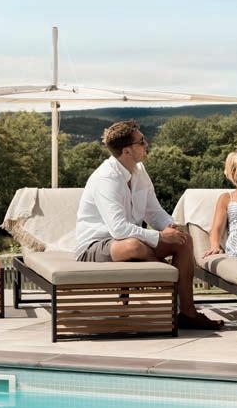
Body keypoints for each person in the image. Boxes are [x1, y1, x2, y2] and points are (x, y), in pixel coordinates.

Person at [75, 120, 222, 330]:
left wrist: (170, 227)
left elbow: (153, 211)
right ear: (127, 151)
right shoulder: (106, 179)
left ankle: (188, 314)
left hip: (133, 242)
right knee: (133, 245)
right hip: (96, 245)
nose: (147, 144)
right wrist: (160, 237)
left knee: (183, 240)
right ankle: (166, 278)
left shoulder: (139, 171)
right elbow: (119, 229)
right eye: (141, 141)